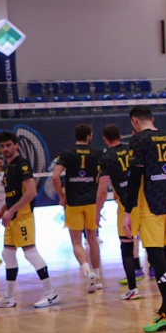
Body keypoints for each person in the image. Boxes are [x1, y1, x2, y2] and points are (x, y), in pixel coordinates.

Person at [121, 106, 166, 333]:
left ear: (134, 121)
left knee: (157, 258)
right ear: (152, 119)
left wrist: (128, 211)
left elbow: (134, 177)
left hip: (151, 205)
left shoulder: (138, 140)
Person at [0, 131, 59, 309]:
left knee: (30, 253)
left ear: (16, 145)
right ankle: (8, 297)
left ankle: (51, 293)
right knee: (7, 254)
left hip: (23, 216)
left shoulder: (22, 165)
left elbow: (31, 192)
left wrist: (11, 211)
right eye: (2, 146)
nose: (5, 149)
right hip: (12, 217)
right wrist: (3, 210)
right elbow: (13, 195)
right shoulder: (8, 168)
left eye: (8, 145)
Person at [51, 124, 103, 293]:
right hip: (92, 202)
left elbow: (55, 176)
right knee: (93, 239)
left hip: (73, 203)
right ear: (89, 136)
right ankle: (97, 277)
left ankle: (87, 271)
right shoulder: (96, 153)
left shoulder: (67, 153)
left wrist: (61, 196)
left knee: (76, 242)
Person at [97, 124, 141, 300]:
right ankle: (163, 282)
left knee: (126, 247)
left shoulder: (106, 157)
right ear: (121, 136)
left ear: (104, 139)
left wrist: (97, 211)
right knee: (152, 244)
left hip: (126, 206)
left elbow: (102, 190)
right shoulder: (131, 149)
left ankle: (133, 288)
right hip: (143, 201)